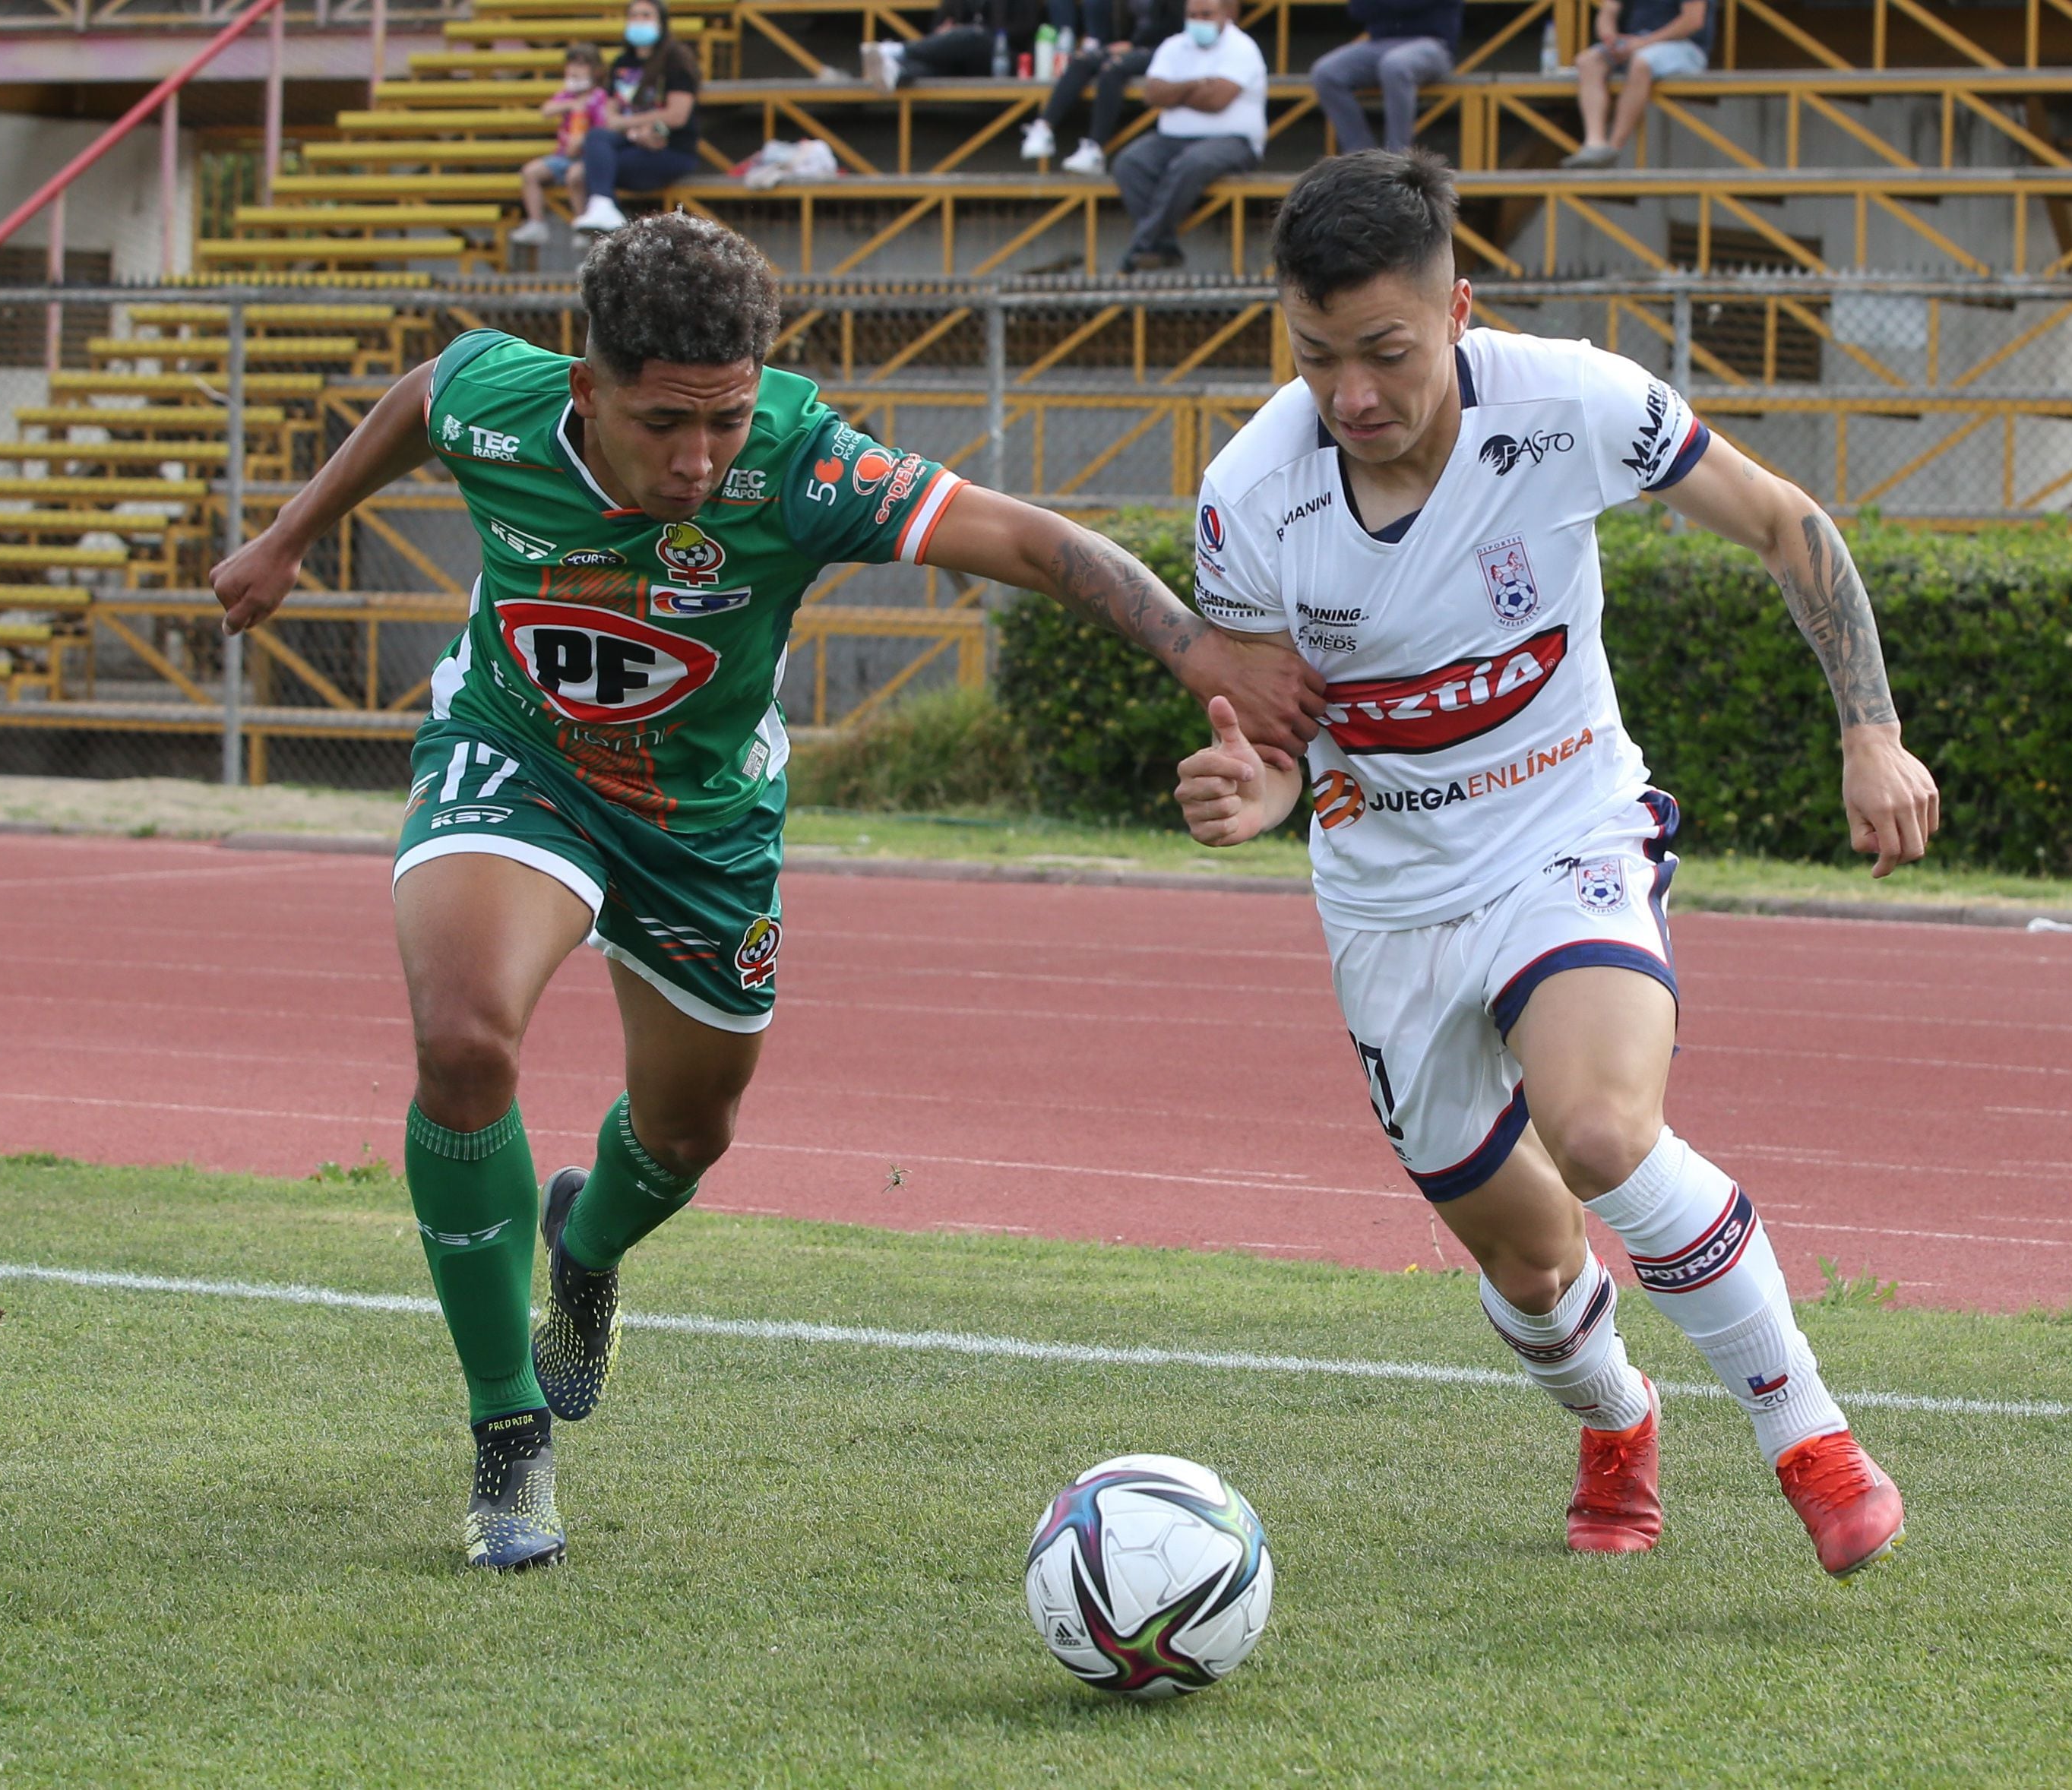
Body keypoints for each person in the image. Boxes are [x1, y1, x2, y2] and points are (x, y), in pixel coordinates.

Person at [210, 214, 1326, 1572]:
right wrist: (285, 538)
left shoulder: (800, 464)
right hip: (517, 761)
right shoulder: (502, 402)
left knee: (687, 1132)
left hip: (703, 824)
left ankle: (589, 1235)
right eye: (663, 422)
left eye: (724, 419)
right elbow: (421, 396)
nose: (696, 458)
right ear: (585, 387)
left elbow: (1028, 544)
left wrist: (1196, 651)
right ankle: (508, 1429)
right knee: (462, 1039)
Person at [1171, 152, 1937, 1577]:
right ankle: (1615, 1418)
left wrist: (1869, 734)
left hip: (1562, 830)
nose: (1351, 395)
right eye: (1316, 357)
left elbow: (1788, 524)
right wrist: (1247, 792)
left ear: (1457, 310)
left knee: (1597, 1129)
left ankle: (1810, 1437)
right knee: (1528, 1263)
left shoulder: (1573, 402)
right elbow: (1279, 746)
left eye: (1386, 352)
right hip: (1386, 899)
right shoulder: (1246, 503)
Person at [1109, 0, 1265, 273]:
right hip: (1171, 139)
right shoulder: (1173, 46)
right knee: (1128, 163)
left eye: (1207, 14)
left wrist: (1177, 92)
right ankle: (1163, 245)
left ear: (1225, 15)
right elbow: (1153, 94)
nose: (1199, 20)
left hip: (1234, 141)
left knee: (1191, 165)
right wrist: (1197, 84)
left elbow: (1217, 100)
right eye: (1193, 15)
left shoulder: (1243, 48)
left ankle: (1143, 246)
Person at [572, 0, 701, 234]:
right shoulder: (622, 63)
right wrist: (635, 132)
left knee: (594, 170)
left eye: (646, 15)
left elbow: (677, 116)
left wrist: (635, 126)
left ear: (661, 22)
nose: (639, 21)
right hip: (631, 140)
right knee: (596, 138)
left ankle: (609, 230)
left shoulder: (677, 60)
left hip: (668, 148)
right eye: (634, 16)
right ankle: (604, 211)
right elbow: (610, 117)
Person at [1018, 0, 1185, 176]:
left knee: (1112, 69)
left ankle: (1095, 148)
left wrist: (1133, 44)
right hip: (1132, 44)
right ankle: (1043, 127)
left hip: (1164, 48)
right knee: (1081, 61)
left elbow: (1174, 26)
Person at [1563, 0, 1713, 169]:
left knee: (1642, 63)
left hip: (1685, 47)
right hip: (1637, 45)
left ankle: (1614, 148)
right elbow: (1609, 11)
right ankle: (1595, 144)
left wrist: (1643, 43)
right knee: (1588, 61)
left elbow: (1693, 21)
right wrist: (1610, 38)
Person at [1309, 0, 1460, 155]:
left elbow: (1410, 5)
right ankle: (1361, 156)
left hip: (1434, 45)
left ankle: (1398, 157)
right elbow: (1358, 10)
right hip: (1380, 44)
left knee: (1394, 65)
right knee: (1326, 73)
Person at [514, 43, 609, 245]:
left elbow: (603, 128)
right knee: (530, 173)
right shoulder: (567, 96)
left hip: (587, 158)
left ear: (596, 70)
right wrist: (571, 105)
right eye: (571, 65)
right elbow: (546, 110)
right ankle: (536, 222)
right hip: (564, 156)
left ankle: (583, 224)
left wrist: (583, 140)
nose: (574, 70)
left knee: (575, 177)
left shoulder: (599, 97)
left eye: (581, 66)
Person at [866, 0, 1040, 90]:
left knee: (974, 36)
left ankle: (900, 50)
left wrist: (973, 31)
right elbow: (938, 26)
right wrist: (944, 32)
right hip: (962, 58)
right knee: (938, 63)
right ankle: (897, 70)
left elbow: (1025, 28)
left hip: (1007, 58)